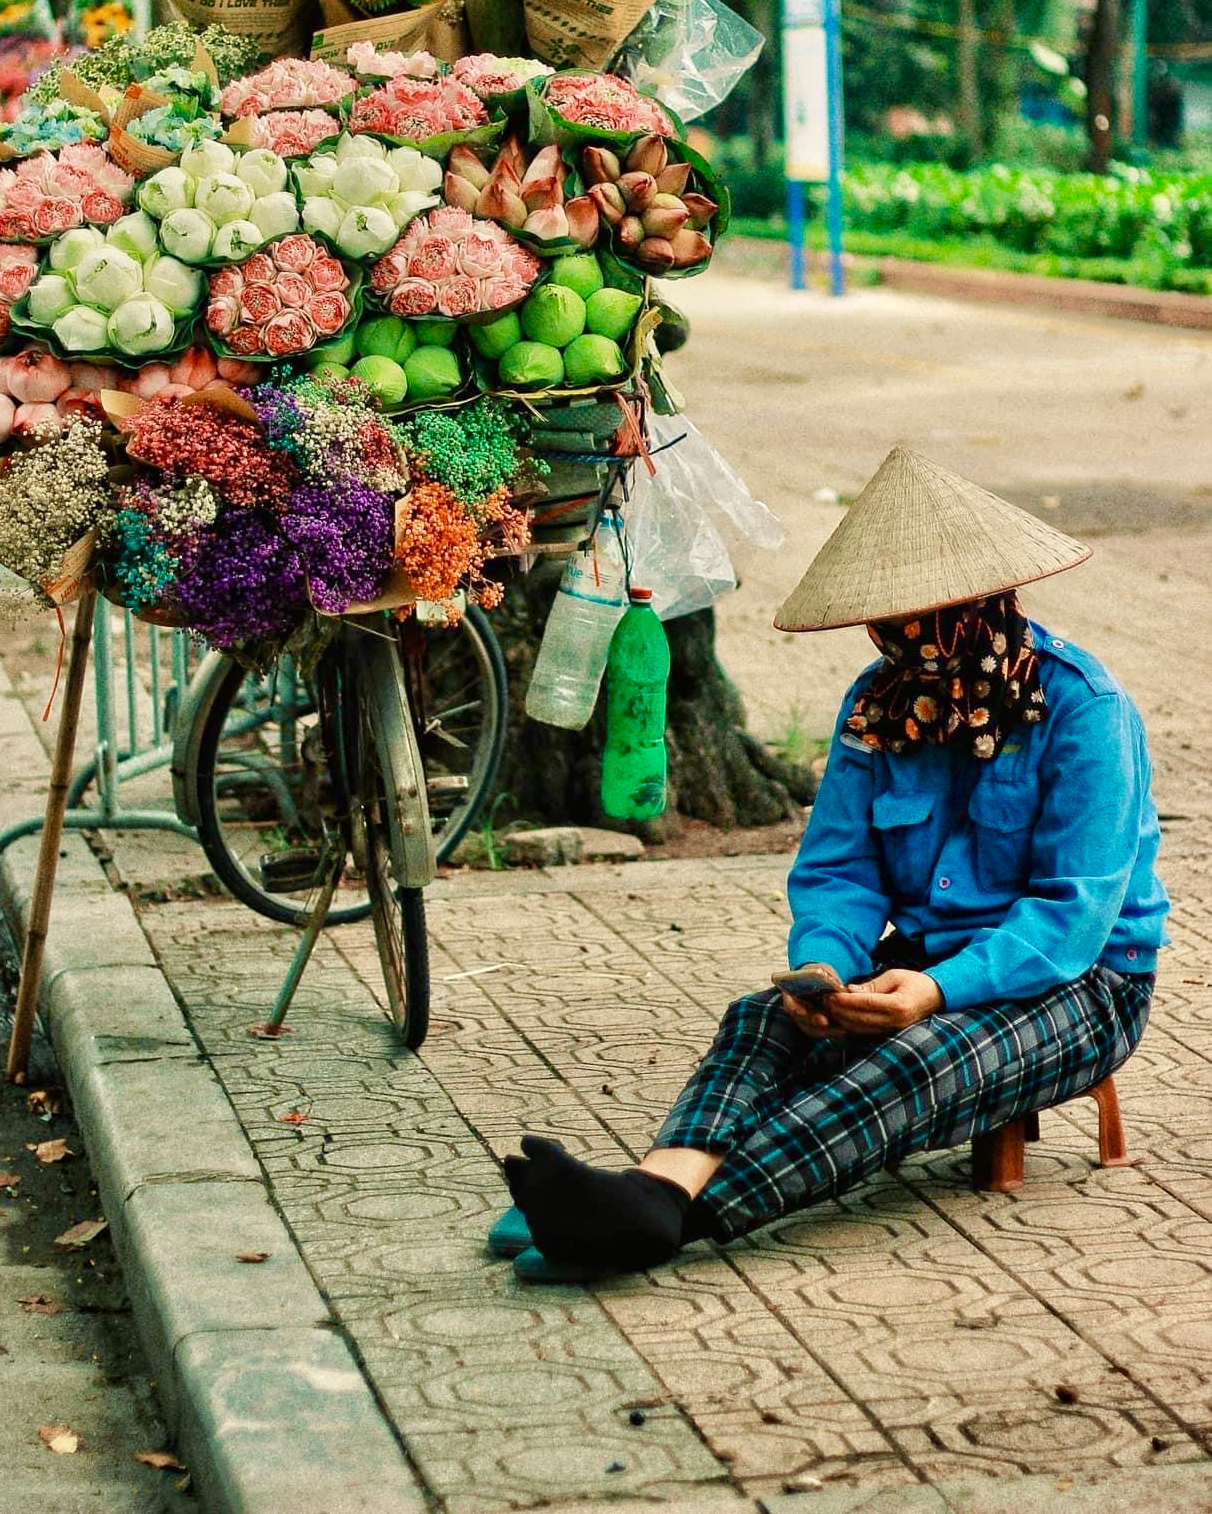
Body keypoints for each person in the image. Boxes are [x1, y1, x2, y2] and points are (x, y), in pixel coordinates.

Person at [491, 445, 1169, 1283]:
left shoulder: (1083, 707)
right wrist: (826, 965)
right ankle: (647, 1195)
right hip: (920, 960)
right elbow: (841, 870)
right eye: (889, 622)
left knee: (916, 1059)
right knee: (761, 1017)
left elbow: (1073, 914)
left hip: (1085, 984)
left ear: (980, 602)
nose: (905, 640)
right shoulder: (876, 703)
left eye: (925, 617)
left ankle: (654, 1216)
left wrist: (937, 990)